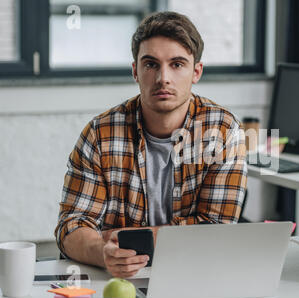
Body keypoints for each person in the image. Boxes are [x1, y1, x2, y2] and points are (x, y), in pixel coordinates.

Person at [55, 11, 247, 278]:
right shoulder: (100, 134)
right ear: (135, 70)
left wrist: (123, 237)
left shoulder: (224, 131)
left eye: (177, 64)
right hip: (116, 279)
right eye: (151, 64)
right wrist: (103, 252)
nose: (163, 78)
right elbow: (71, 227)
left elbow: (216, 230)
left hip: (195, 275)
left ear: (196, 72)